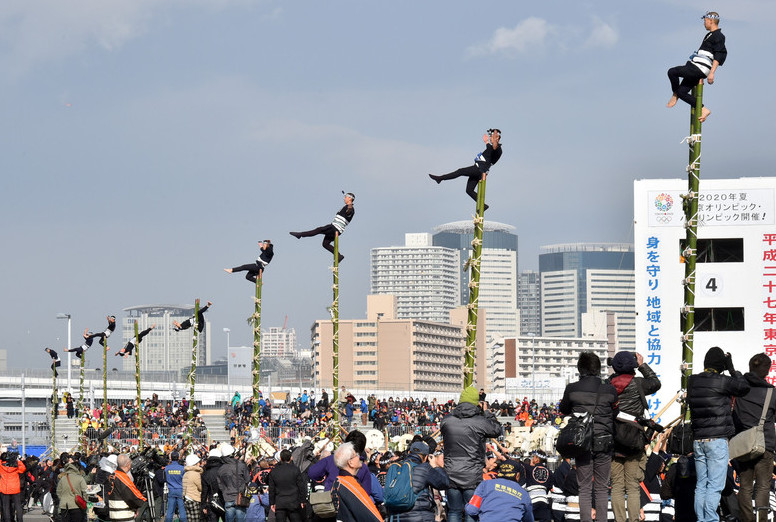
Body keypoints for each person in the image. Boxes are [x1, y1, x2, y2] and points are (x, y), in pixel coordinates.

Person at [687, 346, 750, 522]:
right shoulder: (722, 380)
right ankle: (710, 520)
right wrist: (731, 367)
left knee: (701, 485)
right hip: (717, 440)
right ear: (721, 365)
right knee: (715, 485)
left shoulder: (692, 381)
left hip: (699, 439)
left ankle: (702, 519)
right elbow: (744, 388)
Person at [558, 352, 618, 522]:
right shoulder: (610, 390)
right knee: (601, 488)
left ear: (580, 369)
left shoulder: (572, 388)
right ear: (598, 369)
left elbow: (563, 409)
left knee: (584, 488)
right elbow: (615, 412)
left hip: (581, 442)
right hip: (604, 441)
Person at [607, 351, 662, 522]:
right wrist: (642, 365)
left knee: (616, 486)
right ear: (632, 365)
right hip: (635, 440)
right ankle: (634, 520)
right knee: (632, 486)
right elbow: (656, 383)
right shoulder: (638, 383)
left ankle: (619, 520)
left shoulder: (608, 385)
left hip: (613, 440)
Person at [440, 385, 503, 522]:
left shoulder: (447, 421)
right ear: (477, 403)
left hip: (451, 472)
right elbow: (497, 430)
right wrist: (486, 413)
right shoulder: (480, 422)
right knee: (471, 511)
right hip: (472, 474)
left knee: (454, 511)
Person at [732, 353, 776, 522]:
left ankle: (746, 519)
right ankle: (762, 518)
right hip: (765, 444)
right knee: (763, 486)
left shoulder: (741, 389)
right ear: (766, 370)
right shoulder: (772, 393)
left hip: (744, 444)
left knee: (745, 486)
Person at [666, 12, 727, 122]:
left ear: (711, 21)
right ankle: (704, 109)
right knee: (682, 92)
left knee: (672, 72)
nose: (704, 23)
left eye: (705, 21)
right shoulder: (710, 35)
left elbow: (719, 55)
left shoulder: (719, 36)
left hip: (699, 69)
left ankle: (675, 93)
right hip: (695, 66)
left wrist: (712, 73)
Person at [429, 130, 502, 211]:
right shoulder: (491, 148)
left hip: (480, 170)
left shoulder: (498, 149)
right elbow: (490, 148)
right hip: (479, 170)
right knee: (469, 190)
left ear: (497, 138)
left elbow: (494, 147)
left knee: (460, 171)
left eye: (492, 137)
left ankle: (440, 178)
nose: (491, 138)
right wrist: (487, 142)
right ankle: (483, 205)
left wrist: (495, 135)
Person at [387, 441, 450, 522]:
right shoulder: (424, 468)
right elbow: (444, 483)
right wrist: (434, 466)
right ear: (426, 457)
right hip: (420, 516)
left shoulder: (395, 467)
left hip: (396, 517)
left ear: (409, 452)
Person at [290, 193, 355, 263]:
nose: (344, 198)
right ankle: (339, 256)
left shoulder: (350, 208)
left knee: (319, 230)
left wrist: (350, 205)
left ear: (350, 198)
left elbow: (349, 211)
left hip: (335, 228)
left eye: (345, 197)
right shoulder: (346, 206)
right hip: (336, 230)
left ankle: (300, 235)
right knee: (325, 244)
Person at [465, 459, 534, 522]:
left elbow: (471, 509)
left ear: (499, 472)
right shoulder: (524, 494)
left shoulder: (485, 484)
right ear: (517, 475)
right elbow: (528, 519)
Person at [330, 442, 382, 522]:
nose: (359, 457)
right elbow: (369, 513)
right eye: (356, 455)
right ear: (350, 462)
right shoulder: (349, 484)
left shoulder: (339, 480)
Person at [267, 449, 306, 522]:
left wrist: (272, 502)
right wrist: (302, 500)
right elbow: (301, 486)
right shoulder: (295, 470)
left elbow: (271, 489)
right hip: (293, 502)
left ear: (280, 458)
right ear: (291, 457)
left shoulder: (274, 471)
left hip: (280, 502)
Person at [107, 454, 147, 522]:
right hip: (123, 515)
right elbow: (132, 496)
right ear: (128, 464)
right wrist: (139, 504)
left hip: (114, 514)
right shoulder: (122, 477)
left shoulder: (113, 475)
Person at [217, 443, 250, 522]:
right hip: (239, 497)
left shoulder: (221, 469)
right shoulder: (241, 465)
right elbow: (247, 479)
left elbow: (220, 486)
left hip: (227, 498)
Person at [56, 452, 86, 522]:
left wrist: (63, 498)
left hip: (64, 506)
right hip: (76, 505)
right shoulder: (80, 478)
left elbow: (58, 491)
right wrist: (84, 500)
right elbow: (85, 491)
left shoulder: (63, 478)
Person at [1, 451, 28, 522]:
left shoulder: (1, 466)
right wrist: (17, 460)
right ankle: (20, 520)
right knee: (18, 506)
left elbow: (1, 459)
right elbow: (23, 469)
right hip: (15, 488)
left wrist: (4, 459)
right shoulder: (16, 467)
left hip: (5, 488)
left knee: (6, 507)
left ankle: (7, 520)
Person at [201, 448, 224, 522]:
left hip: (212, 502)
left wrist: (203, 505)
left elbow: (204, 492)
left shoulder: (206, 472)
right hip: (224, 500)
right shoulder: (224, 470)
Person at [165, 451, 188, 522]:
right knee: (182, 510)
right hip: (180, 489)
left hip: (171, 489)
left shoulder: (167, 468)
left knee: (170, 510)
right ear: (178, 458)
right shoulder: (182, 468)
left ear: (171, 458)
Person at [183, 453, 204, 522]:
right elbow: (200, 487)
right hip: (194, 499)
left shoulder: (186, 473)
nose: (199, 464)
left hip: (187, 498)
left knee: (190, 519)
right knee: (196, 519)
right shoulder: (195, 474)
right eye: (198, 462)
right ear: (195, 463)